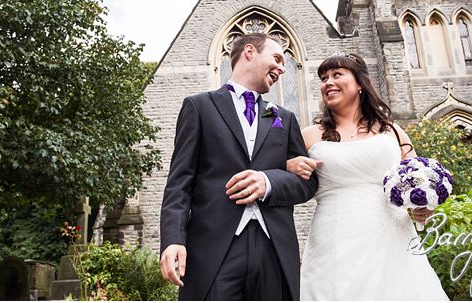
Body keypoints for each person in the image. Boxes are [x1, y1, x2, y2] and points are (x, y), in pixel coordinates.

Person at [159, 33, 322, 300]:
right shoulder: (199, 107)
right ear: (249, 52)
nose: (282, 67)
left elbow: (307, 183)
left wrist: (268, 182)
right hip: (214, 250)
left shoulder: (285, 118)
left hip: (274, 250)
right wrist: (173, 239)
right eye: (277, 58)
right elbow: (179, 182)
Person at [293, 52, 447, 300]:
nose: (327, 82)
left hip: (391, 234)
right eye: (323, 78)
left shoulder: (391, 131)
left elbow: (419, 178)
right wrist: (291, 165)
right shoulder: (308, 135)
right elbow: (283, 175)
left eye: (336, 75)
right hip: (334, 236)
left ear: (359, 85)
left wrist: (424, 207)